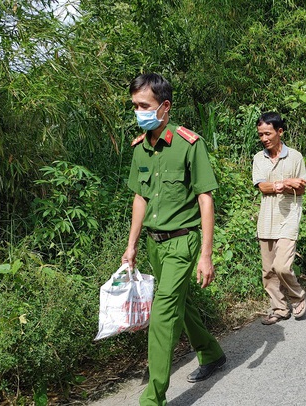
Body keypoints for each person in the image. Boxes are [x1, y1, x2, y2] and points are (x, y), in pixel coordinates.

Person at [122, 73, 225, 406]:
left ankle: (152, 399)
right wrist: (132, 245)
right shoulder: (141, 147)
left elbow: (205, 199)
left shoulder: (189, 143)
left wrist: (205, 255)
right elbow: (140, 198)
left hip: (182, 242)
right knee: (180, 303)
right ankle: (211, 353)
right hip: (154, 243)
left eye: (144, 105)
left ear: (164, 107)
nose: (138, 111)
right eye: (135, 105)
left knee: (163, 313)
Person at [252, 112, 306, 325]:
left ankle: (297, 296)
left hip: (289, 216)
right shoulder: (259, 158)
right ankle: (279, 308)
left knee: (282, 266)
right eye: (261, 135)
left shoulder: (294, 157)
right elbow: (262, 187)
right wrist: (284, 184)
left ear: (280, 132)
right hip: (266, 219)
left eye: (268, 133)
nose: (264, 138)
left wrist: (295, 184)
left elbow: (301, 190)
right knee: (268, 271)